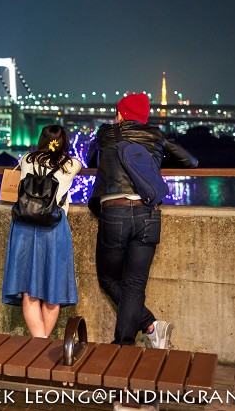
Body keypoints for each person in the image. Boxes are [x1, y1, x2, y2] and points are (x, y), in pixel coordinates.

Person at [87, 93, 198, 348]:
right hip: (148, 213)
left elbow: (90, 158)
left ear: (122, 114)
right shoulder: (156, 135)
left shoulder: (107, 133)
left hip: (114, 213)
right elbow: (191, 162)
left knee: (109, 279)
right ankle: (135, 338)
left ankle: (147, 326)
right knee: (134, 283)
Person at [2, 124, 82, 338]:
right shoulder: (72, 164)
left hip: (24, 228)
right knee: (52, 291)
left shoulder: (27, 159)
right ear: (63, 142)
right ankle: (42, 345)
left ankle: (39, 344)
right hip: (54, 229)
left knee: (30, 292)